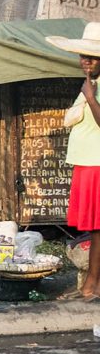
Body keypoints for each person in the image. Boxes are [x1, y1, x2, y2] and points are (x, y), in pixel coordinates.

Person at [46, 23, 100, 301]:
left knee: (98, 227)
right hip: (88, 162)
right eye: (82, 57)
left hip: (97, 164)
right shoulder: (91, 85)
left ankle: (92, 283)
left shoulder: (93, 89)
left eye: (91, 57)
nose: (85, 62)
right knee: (94, 228)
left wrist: (91, 98)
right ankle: (91, 283)